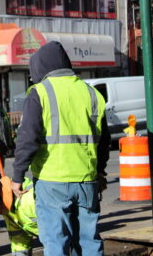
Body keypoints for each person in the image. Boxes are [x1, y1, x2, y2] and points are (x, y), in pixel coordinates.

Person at [11, 41, 110, 256]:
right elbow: (103, 141)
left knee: (57, 244)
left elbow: (28, 138)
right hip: (86, 180)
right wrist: (100, 171)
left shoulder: (40, 92)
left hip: (52, 180)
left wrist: (17, 175)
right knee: (89, 242)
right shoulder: (91, 93)